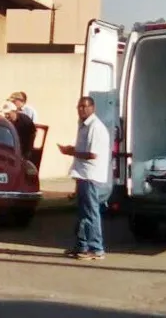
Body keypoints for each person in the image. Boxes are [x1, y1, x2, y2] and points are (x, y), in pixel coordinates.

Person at [58, 96, 110, 260]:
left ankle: (96, 248)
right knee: (82, 213)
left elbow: (92, 154)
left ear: (92, 108)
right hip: (82, 175)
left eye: (85, 106)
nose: (81, 109)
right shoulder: (83, 125)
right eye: (79, 107)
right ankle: (82, 246)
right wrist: (71, 149)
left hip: (91, 176)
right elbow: (83, 149)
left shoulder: (95, 127)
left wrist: (71, 152)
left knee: (91, 213)